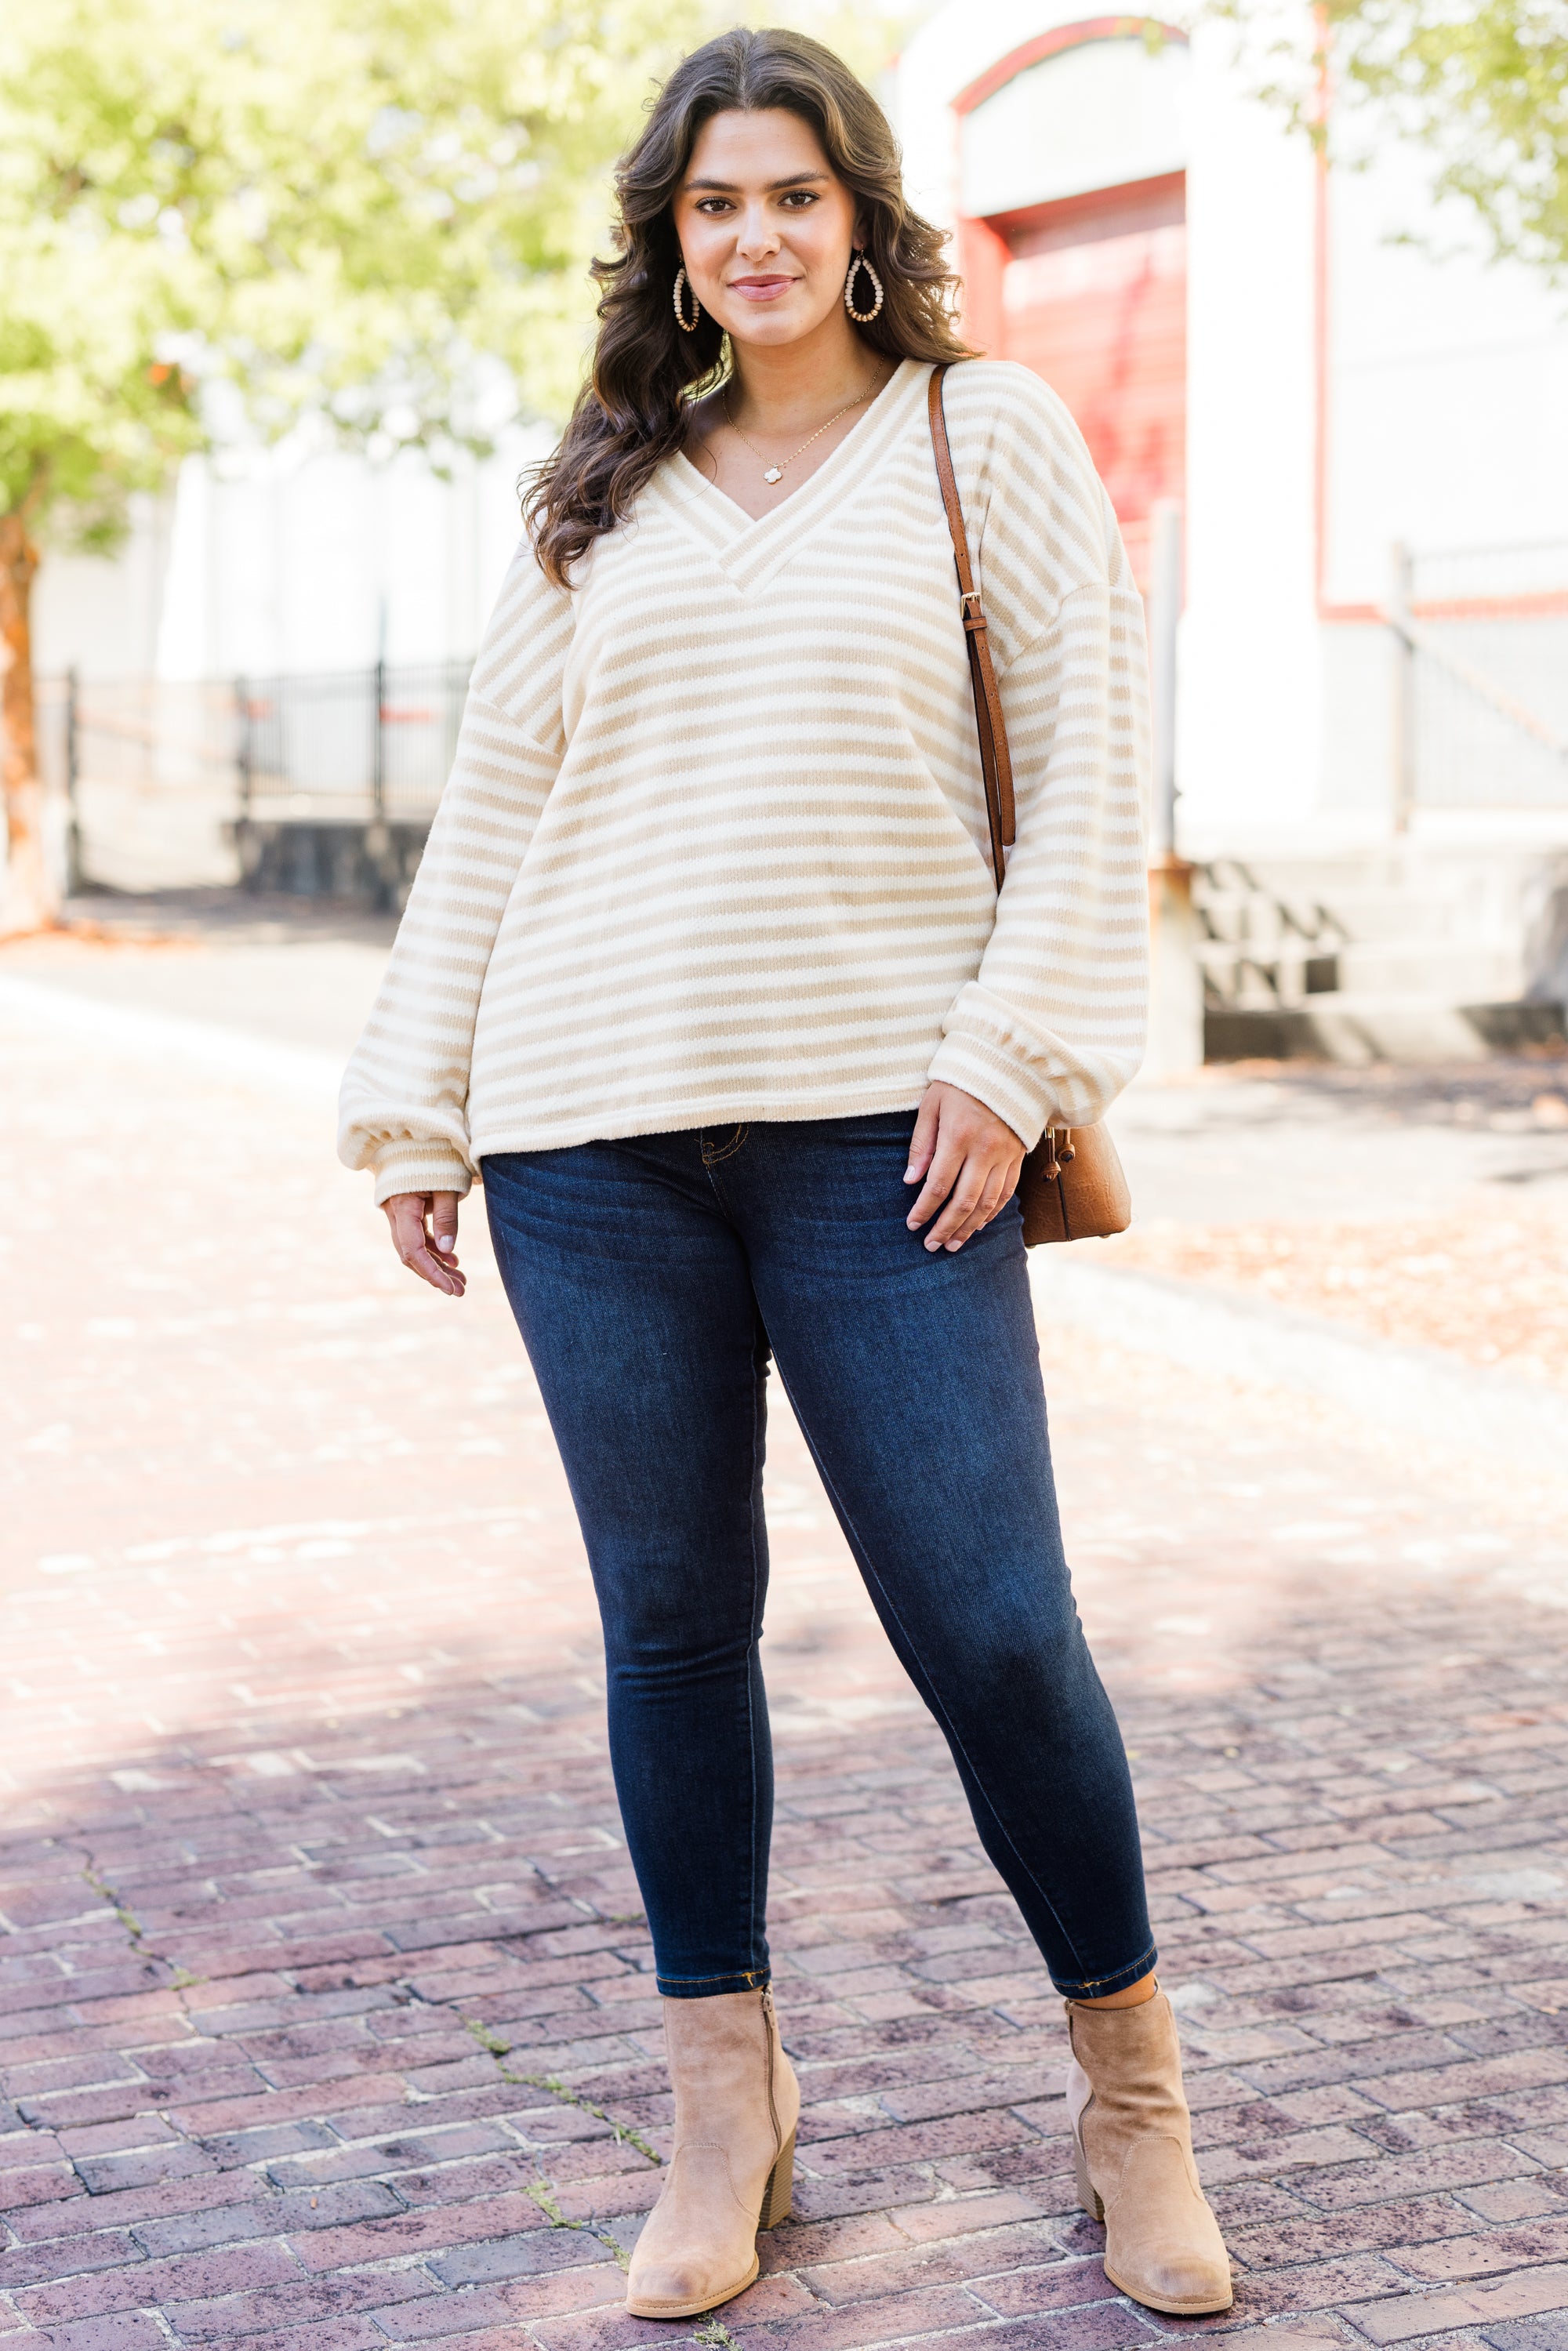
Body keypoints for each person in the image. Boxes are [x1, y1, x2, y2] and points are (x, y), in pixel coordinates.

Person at [338, 24, 1231, 2324]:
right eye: (711, 204)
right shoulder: (597, 494)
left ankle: (1132, 2095)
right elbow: (501, 819)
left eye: (794, 197)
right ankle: (724, 2103)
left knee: (995, 1623)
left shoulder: (980, 435)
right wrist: (414, 1099)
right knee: (669, 1630)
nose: (751, 237)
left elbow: (1091, 762)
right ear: (671, 236)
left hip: (889, 1136)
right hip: (588, 1141)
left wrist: (1009, 1059)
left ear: (862, 220)